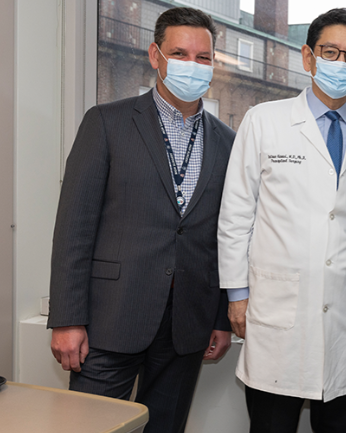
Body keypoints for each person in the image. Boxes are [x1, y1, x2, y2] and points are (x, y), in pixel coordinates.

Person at [47, 7, 234, 433]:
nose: (192, 65)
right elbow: (74, 228)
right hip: (110, 319)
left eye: (203, 57)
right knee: (90, 428)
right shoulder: (107, 122)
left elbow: (226, 237)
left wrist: (220, 318)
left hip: (187, 324)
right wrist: (67, 319)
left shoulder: (228, 141)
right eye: (180, 53)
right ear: (155, 55)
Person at [217, 8, 346, 433]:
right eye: (330, 52)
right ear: (308, 57)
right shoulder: (264, 120)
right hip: (277, 312)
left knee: (337, 423)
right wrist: (236, 294)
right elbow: (236, 214)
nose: (341, 63)